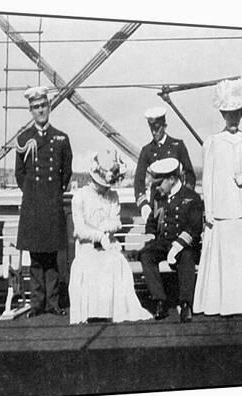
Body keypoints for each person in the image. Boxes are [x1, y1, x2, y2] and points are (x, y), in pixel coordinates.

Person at [194, 56, 242, 316]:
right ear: (223, 114)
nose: (233, 117)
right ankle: (222, 302)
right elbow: (209, 179)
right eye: (228, 113)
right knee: (225, 258)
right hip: (222, 210)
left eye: (237, 113)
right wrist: (209, 211)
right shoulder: (212, 143)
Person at [69, 150, 152, 324]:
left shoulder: (113, 196)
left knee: (115, 262)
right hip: (87, 246)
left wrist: (106, 229)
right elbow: (79, 228)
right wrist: (98, 235)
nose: (105, 188)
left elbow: (116, 221)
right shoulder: (80, 197)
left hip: (109, 245)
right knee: (88, 264)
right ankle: (92, 311)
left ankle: (110, 310)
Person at [15, 86, 73, 318]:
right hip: (33, 206)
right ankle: (37, 304)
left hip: (52, 204)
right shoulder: (24, 138)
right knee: (36, 258)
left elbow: (66, 172)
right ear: (30, 110)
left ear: (49, 107)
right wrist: (33, 193)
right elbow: (20, 174)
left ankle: (53, 303)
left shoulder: (61, 138)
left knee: (53, 258)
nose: (40, 110)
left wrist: (52, 193)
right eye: (36, 107)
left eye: (43, 106)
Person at [139, 158, 203, 323]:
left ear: (172, 179)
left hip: (184, 244)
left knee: (187, 257)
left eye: (160, 183)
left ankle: (186, 304)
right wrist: (150, 237)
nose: (157, 187)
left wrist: (177, 247)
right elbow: (152, 222)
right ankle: (160, 300)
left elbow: (194, 228)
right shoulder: (159, 197)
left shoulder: (191, 197)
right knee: (146, 255)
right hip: (163, 243)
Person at [134, 106, 196, 223]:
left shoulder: (177, 146)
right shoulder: (147, 150)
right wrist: (143, 204)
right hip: (157, 203)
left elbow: (190, 175)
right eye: (151, 128)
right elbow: (138, 181)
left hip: (177, 202)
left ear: (164, 126)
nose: (154, 132)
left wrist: (185, 197)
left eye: (157, 128)